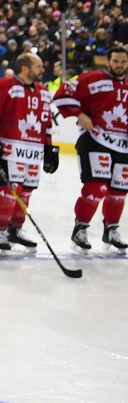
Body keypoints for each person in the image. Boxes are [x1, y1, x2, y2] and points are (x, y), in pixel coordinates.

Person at [53, 44, 128, 251]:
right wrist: (79, 113)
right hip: (96, 140)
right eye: (115, 61)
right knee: (96, 188)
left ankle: (111, 230)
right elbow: (62, 92)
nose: (119, 65)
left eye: (123, 62)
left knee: (119, 192)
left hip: (123, 146)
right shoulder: (92, 78)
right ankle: (81, 229)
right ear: (108, 61)